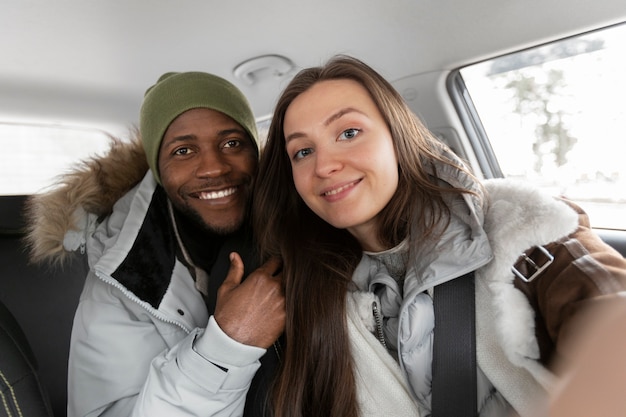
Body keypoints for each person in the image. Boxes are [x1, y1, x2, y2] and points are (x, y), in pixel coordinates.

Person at [252, 55, 626, 417]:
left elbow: (610, 310)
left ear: (397, 137)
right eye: (302, 151)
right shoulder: (307, 292)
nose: (325, 165)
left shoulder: (524, 228)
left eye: (349, 133)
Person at [25, 72, 285, 416]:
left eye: (232, 143)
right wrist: (227, 346)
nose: (213, 167)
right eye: (184, 150)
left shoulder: (304, 229)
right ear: (159, 170)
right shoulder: (122, 282)